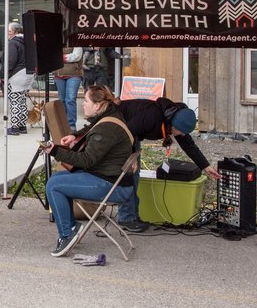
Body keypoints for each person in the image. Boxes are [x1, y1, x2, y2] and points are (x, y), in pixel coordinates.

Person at [44, 85, 135, 257]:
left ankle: (67, 233)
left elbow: (87, 160)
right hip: (114, 179)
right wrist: (74, 135)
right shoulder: (112, 116)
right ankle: (71, 227)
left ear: (98, 105)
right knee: (59, 178)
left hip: (112, 186)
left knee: (54, 185)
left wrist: (55, 151)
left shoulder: (106, 128)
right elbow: (93, 127)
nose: (83, 104)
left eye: (86, 101)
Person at [116, 97, 222, 232]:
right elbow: (126, 134)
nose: (183, 135)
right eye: (181, 131)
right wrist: (130, 156)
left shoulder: (175, 119)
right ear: (172, 125)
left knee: (134, 175)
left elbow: (189, 146)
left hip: (132, 133)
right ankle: (126, 218)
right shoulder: (152, 117)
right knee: (129, 175)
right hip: (120, 131)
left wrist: (206, 167)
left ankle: (133, 216)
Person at [0, 22, 34, 135]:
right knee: (22, 100)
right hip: (28, 74)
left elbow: (10, 61)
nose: (8, 33)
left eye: (9, 31)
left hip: (17, 75)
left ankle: (14, 127)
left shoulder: (13, 43)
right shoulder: (28, 43)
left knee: (14, 101)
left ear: (14, 32)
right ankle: (22, 126)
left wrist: (2, 75)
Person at [53, 47, 83, 133]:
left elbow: (77, 56)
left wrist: (62, 57)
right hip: (59, 74)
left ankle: (71, 125)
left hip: (74, 74)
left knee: (70, 99)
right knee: (61, 100)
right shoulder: (56, 39)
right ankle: (63, 124)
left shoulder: (75, 40)